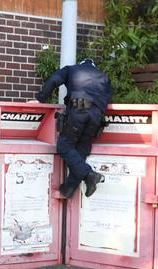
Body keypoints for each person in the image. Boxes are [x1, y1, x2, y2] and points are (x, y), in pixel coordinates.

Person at [32, 58, 112, 198]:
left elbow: (53, 80)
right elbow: (107, 98)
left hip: (79, 109)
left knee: (64, 146)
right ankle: (68, 189)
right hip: (97, 116)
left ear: (81, 64)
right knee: (81, 150)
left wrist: (40, 99)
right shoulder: (103, 76)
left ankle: (89, 175)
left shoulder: (71, 69)